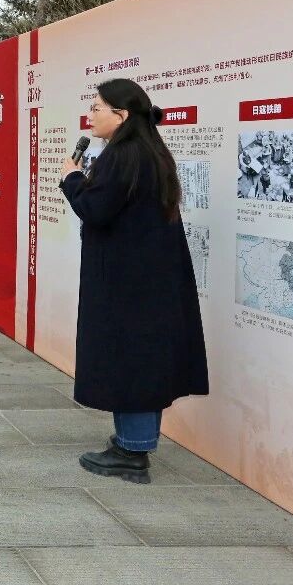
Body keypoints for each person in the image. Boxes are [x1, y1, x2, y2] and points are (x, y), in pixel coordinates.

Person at [60, 78, 209, 483]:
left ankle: (133, 452)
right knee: (138, 359)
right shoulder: (147, 151)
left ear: (122, 116)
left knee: (132, 360)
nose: (90, 115)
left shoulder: (123, 156)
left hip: (130, 283)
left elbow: (97, 209)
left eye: (97, 108)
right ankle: (130, 442)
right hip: (145, 278)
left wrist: (72, 178)